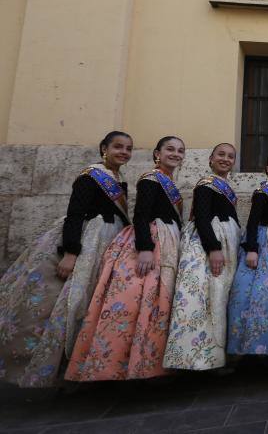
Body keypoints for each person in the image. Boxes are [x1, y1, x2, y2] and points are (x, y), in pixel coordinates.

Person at [0, 131, 132, 387]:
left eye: (128, 148)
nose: (124, 152)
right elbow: (75, 214)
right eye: (118, 147)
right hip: (88, 241)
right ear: (104, 147)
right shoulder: (89, 177)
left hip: (109, 240)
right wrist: (71, 252)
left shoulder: (119, 179)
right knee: (72, 301)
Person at [66, 136, 185, 381]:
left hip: (157, 240)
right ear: (157, 153)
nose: (124, 152)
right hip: (131, 240)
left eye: (180, 150)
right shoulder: (149, 179)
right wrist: (144, 246)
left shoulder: (129, 180)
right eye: (169, 149)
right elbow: (140, 215)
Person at [163, 143, 240, 371]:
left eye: (230, 156)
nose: (225, 159)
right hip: (208, 247)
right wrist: (213, 248)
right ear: (211, 159)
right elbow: (202, 219)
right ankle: (198, 359)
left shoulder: (225, 186)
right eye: (221, 155)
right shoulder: (205, 185)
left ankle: (216, 356)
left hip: (226, 243)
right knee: (205, 299)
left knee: (220, 298)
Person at [227, 152, 268, 357]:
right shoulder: (262, 192)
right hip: (265, 243)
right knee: (262, 293)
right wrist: (252, 249)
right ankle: (257, 346)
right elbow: (253, 221)